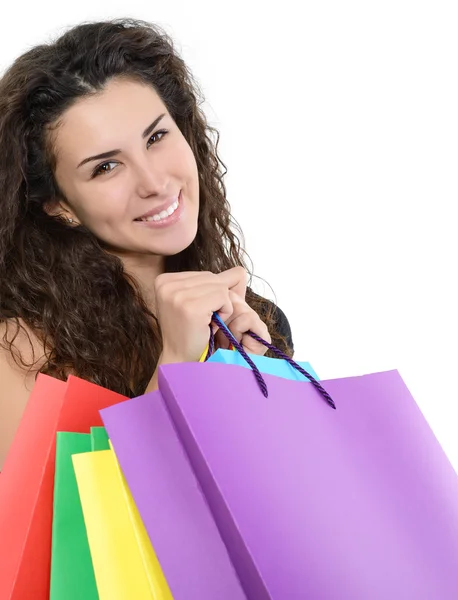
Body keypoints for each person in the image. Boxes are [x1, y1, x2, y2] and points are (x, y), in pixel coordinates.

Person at [0, 18, 294, 468]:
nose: (155, 182)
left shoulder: (251, 319)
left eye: (156, 137)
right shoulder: (20, 355)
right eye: (105, 167)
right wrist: (176, 364)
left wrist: (269, 386)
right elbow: (70, 535)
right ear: (59, 205)